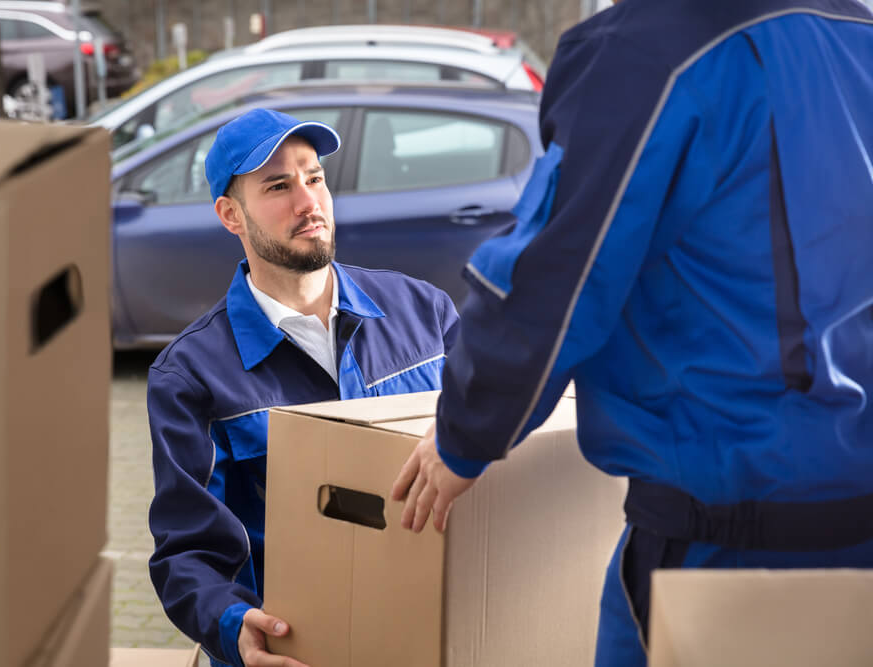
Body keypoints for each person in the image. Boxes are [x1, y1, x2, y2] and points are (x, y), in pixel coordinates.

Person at [391, 1, 873, 665]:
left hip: (722, 546)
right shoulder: (857, 32)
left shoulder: (651, 50)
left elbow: (552, 278)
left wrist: (464, 436)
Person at [147, 108, 459, 667]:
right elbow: (186, 552)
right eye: (277, 186)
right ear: (230, 215)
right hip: (295, 649)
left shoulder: (426, 315)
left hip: (428, 633)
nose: (308, 202)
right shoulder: (191, 375)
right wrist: (235, 627)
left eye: (314, 177)